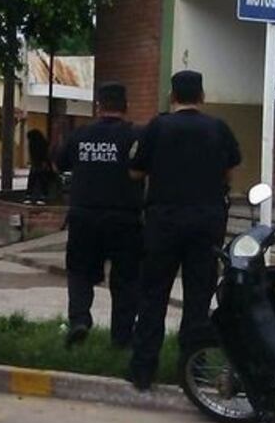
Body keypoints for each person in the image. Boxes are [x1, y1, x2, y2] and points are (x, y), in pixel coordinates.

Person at [126, 70, 240, 390]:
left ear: (172, 96)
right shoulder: (218, 128)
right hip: (206, 223)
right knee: (198, 299)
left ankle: (143, 370)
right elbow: (231, 171)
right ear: (201, 96)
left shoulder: (157, 127)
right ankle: (193, 370)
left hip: (163, 223)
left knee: (153, 296)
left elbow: (135, 172)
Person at [55, 82, 144, 348]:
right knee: (126, 279)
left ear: (98, 106)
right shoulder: (135, 136)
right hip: (124, 219)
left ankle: (80, 320)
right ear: (125, 107)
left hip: (84, 217)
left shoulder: (80, 135)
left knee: (80, 272)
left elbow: (60, 163)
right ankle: (122, 336)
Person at [26, 129, 58, 202]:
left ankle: (32, 194)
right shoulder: (40, 142)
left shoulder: (35, 144)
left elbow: (42, 154)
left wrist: (43, 163)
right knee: (39, 179)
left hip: (39, 164)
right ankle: (41, 195)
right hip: (39, 164)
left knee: (37, 179)